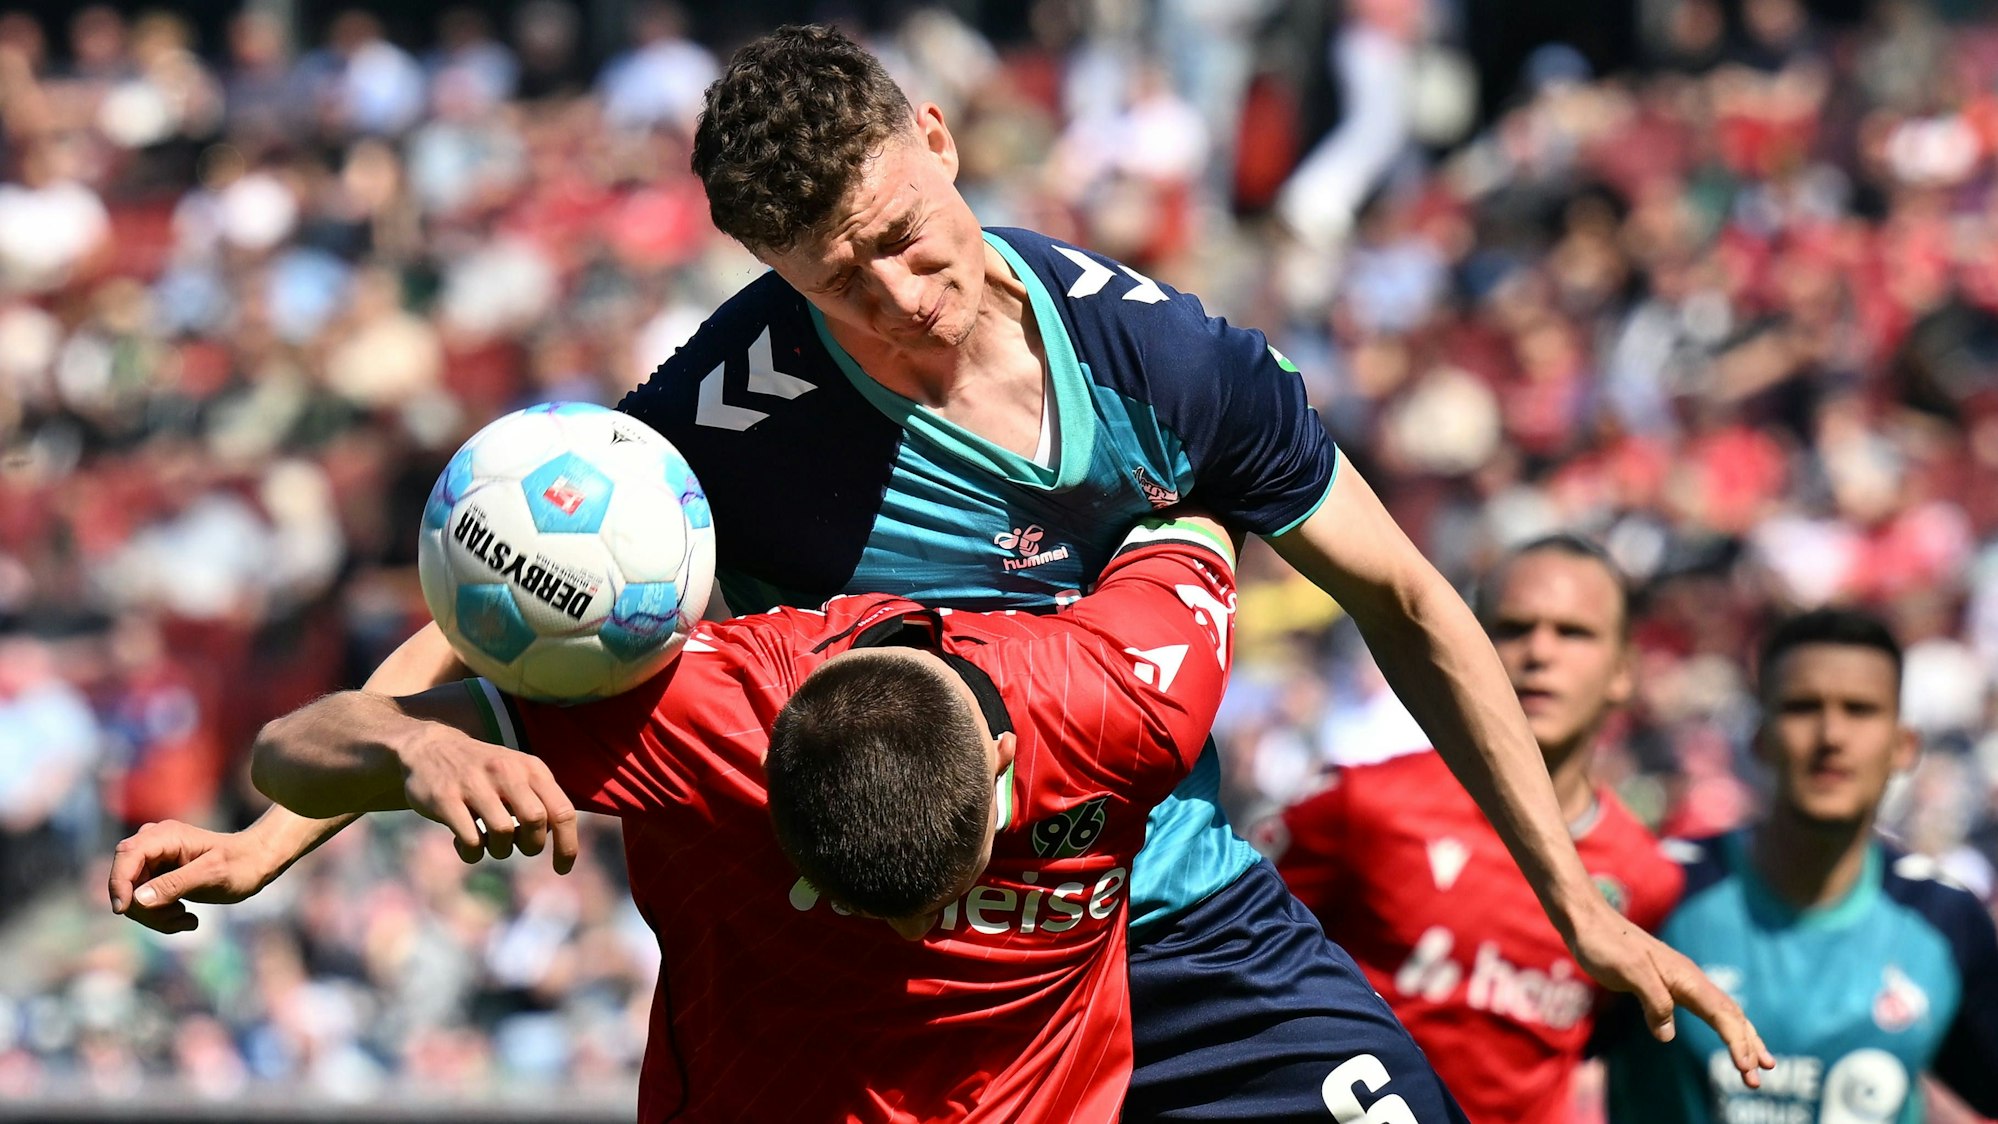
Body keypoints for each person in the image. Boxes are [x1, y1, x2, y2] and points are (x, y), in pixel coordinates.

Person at [111, 25, 1768, 1120]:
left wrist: (1572, 907)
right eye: (844, 276)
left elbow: (1404, 598)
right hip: (908, 961)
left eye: (913, 230)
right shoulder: (722, 417)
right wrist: (272, 839)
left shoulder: (1166, 367)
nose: (907, 289)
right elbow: (498, 615)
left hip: (1151, 902)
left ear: (939, 137)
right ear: (773, 272)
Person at [231, 516, 1234, 1122]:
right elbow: (290, 743)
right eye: (852, 901)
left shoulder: (1130, 694)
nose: (914, 938)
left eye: (941, 893)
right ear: (763, 776)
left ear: (1004, 763)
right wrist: (418, 744)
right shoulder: (701, 714)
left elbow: (1209, 488)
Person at [1263, 535, 1684, 1123]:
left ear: (1622, 672)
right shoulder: (1362, 804)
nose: (1540, 651)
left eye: (1573, 633)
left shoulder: (1649, 878)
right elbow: (1237, 959)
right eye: (1512, 629)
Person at [1605, 609, 1998, 1123]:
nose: (1831, 735)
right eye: (1802, 707)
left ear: (1904, 746)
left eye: (1859, 710)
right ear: (1759, 740)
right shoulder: (1663, 889)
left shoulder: (1946, 920)